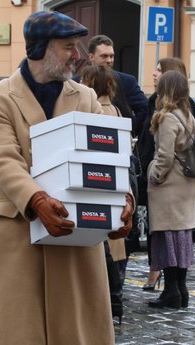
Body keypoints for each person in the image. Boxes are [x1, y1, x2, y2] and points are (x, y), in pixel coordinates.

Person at [0, 11, 134, 344]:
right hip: (21, 236)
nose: (77, 56)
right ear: (39, 49)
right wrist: (36, 199)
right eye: (68, 47)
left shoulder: (87, 97)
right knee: (22, 331)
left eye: (77, 46)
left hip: (77, 237)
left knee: (79, 333)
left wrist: (123, 199)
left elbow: (109, 156)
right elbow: (2, 158)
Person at [137, 57, 195, 292]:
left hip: (169, 187)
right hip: (185, 185)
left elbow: (164, 155)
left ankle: (172, 292)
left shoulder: (167, 118)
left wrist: (154, 174)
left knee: (167, 239)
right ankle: (181, 291)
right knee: (181, 238)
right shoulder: (188, 115)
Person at [79, 63, 128, 323]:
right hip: (115, 187)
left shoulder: (92, 111)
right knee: (114, 254)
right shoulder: (117, 110)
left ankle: (107, 307)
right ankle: (116, 306)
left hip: (96, 185)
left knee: (102, 254)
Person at [86, 34, 149, 136]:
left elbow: (145, 109)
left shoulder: (127, 81)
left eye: (112, 56)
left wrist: (129, 130)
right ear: (91, 57)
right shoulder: (77, 82)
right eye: (104, 56)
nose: (109, 60)